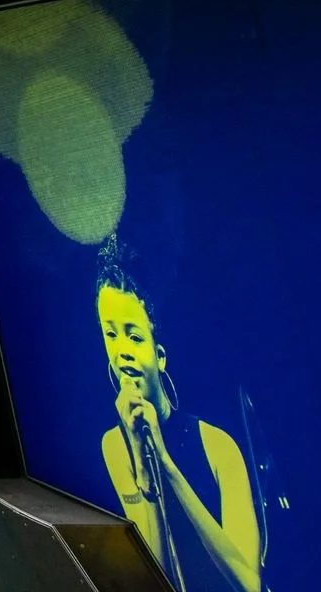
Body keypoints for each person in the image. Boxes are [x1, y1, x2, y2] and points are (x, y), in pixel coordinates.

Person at [95, 238, 262, 592]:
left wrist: (167, 466)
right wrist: (144, 471)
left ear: (160, 355)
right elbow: (156, 575)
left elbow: (248, 583)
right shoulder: (115, 446)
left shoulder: (218, 446)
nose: (122, 351)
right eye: (111, 334)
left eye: (134, 337)